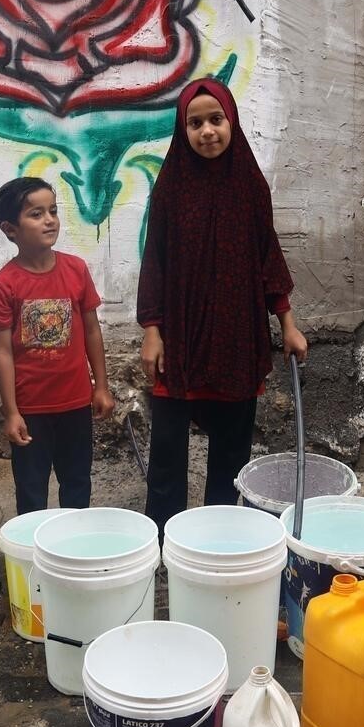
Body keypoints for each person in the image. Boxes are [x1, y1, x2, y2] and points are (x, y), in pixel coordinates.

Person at [137, 78, 307, 534]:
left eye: (216, 119)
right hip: (181, 337)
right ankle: (162, 537)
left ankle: (218, 533)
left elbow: (268, 255)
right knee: (168, 449)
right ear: (182, 130)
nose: (207, 131)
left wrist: (287, 323)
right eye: (195, 123)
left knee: (231, 449)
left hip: (236, 335)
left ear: (231, 121)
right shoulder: (171, 189)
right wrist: (152, 331)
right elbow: (154, 261)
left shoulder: (251, 188)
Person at [0, 177, 115, 515]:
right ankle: (31, 556)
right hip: (31, 409)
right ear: (10, 228)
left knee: (77, 482)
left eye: (53, 211)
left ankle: (72, 552)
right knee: (31, 489)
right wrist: (12, 411)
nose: (49, 220)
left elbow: (91, 331)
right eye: (36, 214)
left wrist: (100, 386)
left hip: (75, 402)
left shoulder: (75, 270)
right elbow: (3, 351)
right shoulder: (4, 285)